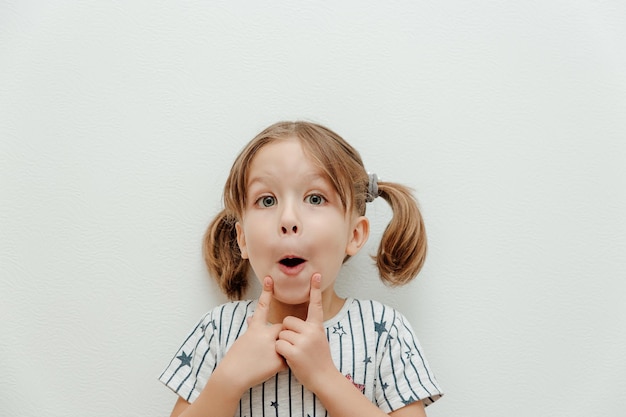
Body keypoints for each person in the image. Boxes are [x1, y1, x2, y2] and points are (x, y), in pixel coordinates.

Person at [159, 121, 443, 417]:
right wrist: (229, 379)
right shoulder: (216, 331)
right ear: (242, 239)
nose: (288, 218)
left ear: (354, 235)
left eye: (315, 198)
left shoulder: (384, 331)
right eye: (267, 200)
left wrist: (325, 378)